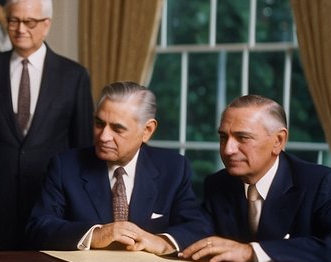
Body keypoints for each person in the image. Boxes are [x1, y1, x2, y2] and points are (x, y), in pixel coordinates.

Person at [26, 82, 211, 252]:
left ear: (147, 131)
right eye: (99, 124)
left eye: (117, 128)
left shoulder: (173, 168)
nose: (104, 136)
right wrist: (95, 235)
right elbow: (38, 227)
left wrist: (162, 242)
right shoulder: (65, 166)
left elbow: (198, 227)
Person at [0, 0, 93, 250]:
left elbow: (82, 147)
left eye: (29, 22)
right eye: (14, 20)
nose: (20, 29)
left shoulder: (74, 75)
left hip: (53, 204)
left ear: (46, 25)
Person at [182, 95, 331, 262]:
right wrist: (164, 240)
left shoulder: (322, 183)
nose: (228, 150)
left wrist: (250, 252)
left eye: (243, 138)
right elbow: (198, 228)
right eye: (223, 137)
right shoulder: (218, 183)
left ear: (278, 141)